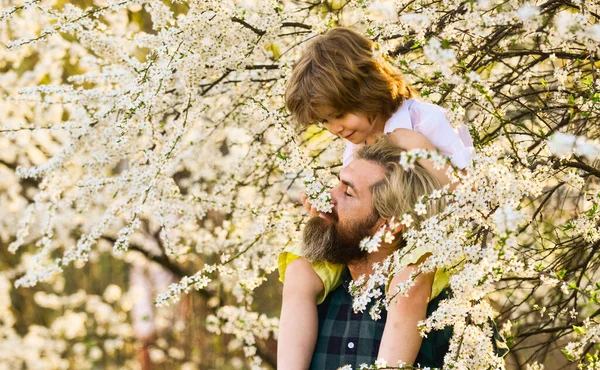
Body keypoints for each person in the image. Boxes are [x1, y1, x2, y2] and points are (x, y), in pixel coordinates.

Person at [278, 27, 474, 369]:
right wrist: (327, 206)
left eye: (338, 114)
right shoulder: (357, 141)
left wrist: (414, 147)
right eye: (325, 120)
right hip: (379, 240)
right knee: (299, 271)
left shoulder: (422, 123)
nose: (334, 128)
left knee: (407, 286)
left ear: (366, 89)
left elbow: (459, 196)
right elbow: (355, 195)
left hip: (428, 240)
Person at [286, 136, 452, 369]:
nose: (326, 197)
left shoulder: (444, 314)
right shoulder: (311, 298)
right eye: (337, 183)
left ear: (387, 226)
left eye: (348, 193)